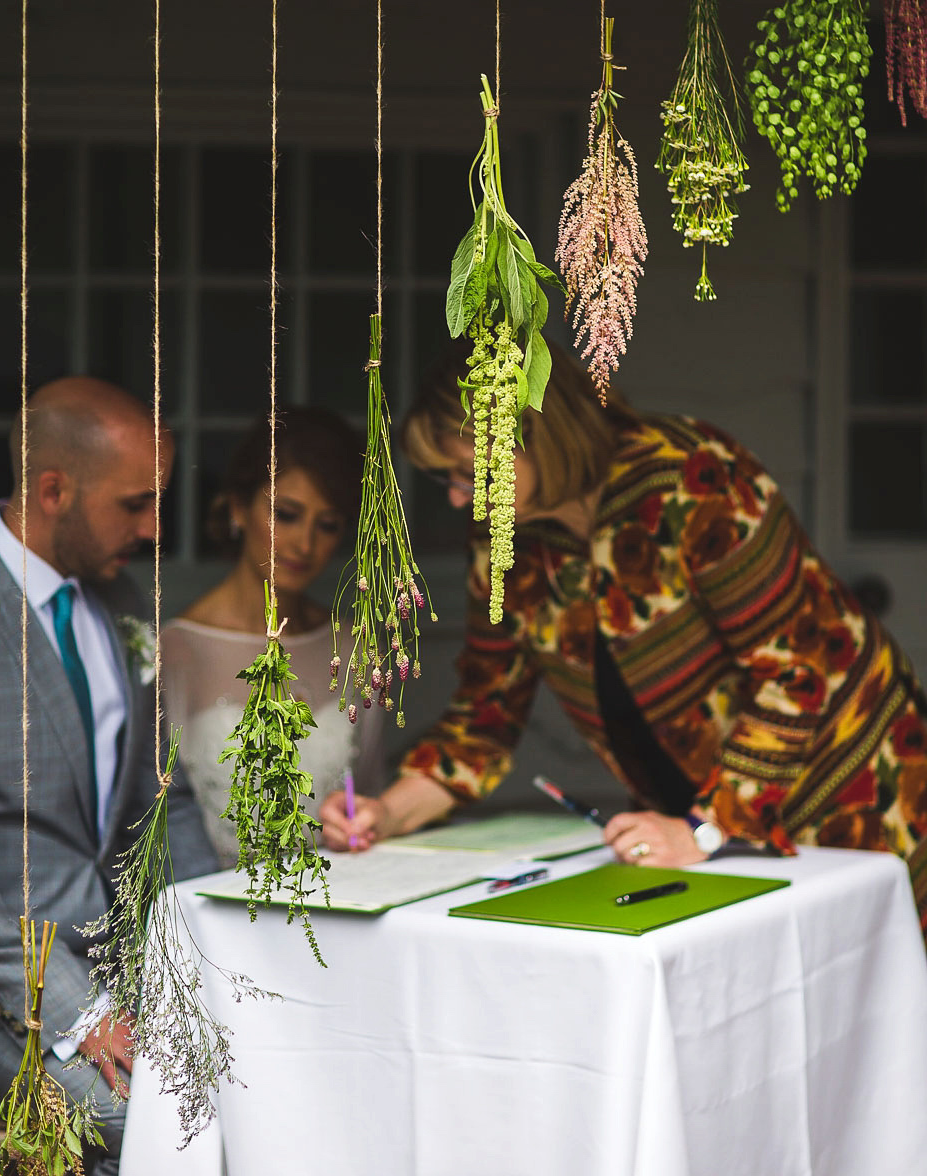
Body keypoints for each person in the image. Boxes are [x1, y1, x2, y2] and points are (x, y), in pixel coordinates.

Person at [319, 344, 927, 941]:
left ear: (529, 436)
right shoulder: (503, 544)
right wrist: (389, 813)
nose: (456, 496)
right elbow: (484, 721)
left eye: (465, 470)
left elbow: (798, 666)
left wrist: (705, 827)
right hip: (701, 827)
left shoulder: (689, 477)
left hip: (857, 785)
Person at [0, 377, 217, 1175]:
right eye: (134, 505)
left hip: (117, 965)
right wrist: (76, 1012)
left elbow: (163, 805)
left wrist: (217, 949)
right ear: (53, 491)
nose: (152, 530)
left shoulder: (117, 606)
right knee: (157, 1124)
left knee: (260, 1082)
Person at [162, 409, 385, 865]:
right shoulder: (176, 651)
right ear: (239, 507)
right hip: (211, 912)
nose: (305, 544)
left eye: (327, 525)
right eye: (286, 515)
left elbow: (369, 794)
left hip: (338, 903)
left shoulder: (356, 649)